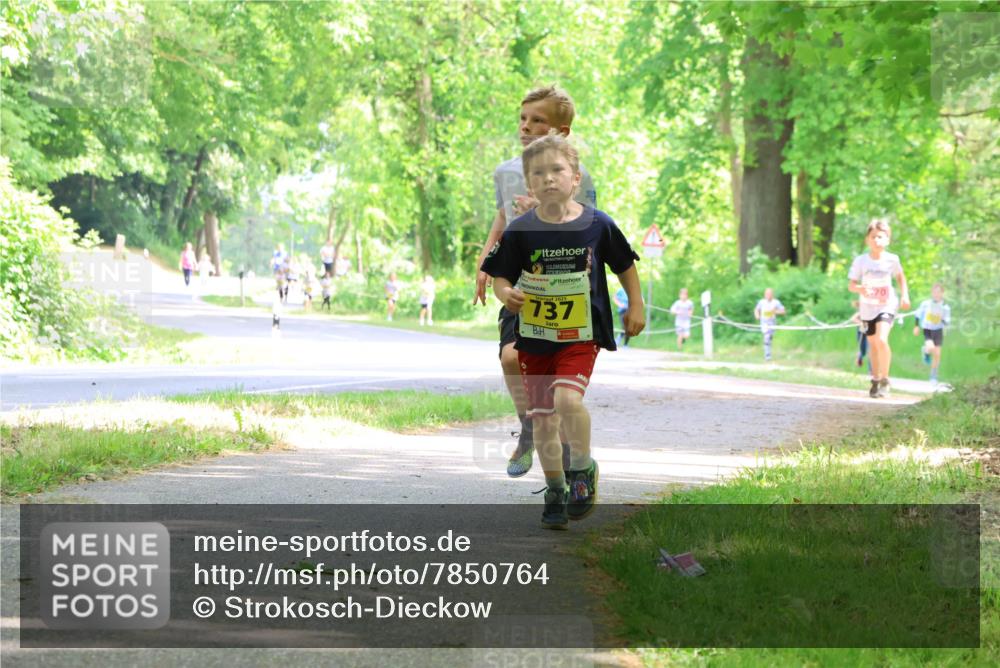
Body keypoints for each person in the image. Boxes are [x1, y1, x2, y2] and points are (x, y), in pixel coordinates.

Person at [481, 133, 645, 529]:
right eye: (538, 173)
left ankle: (582, 471)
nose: (549, 178)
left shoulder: (597, 223)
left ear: (575, 179)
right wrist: (506, 294)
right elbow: (500, 275)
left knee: (568, 401)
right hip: (534, 337)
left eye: (558, 170)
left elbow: (625, 265)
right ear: (529, 184)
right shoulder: (520, 230)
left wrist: (636, 304)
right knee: (541, 418)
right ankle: (554, 488)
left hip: (579, 336)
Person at [472, 85, 598, 479]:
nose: (526, 127)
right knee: (511, 356)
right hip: (518, 280)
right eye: (523, 119)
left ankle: (550, 437)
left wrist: (544, 212)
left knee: (549, 373)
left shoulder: (577, 178)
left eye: (538, 120)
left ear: (561, 131)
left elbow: (586, 229)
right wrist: (485, 260)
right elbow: (501, 215)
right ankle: (528, 426)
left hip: (559, 288)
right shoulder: (507, 172)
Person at [848, 217, 910, 398]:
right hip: (868, 307)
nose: (877, 240)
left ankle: (885, 379)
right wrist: (861, 289)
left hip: (887, 304)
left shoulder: (892, 259)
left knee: (882, 340)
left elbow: (900, 278)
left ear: (888, 240)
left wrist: (905, 295)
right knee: (873, 344)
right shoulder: (861, 261)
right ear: (867, 239)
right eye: (873, 236)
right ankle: (875, 380)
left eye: (881, 237)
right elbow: (851, 285)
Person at [913, 283, 950, 386]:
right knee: (930, 347)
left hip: (938, 330)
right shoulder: (926, 304)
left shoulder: (945, 307)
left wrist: (943, 319)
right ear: (932, 293)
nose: (936, 294)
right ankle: (926, 351)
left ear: (942, 293)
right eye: (934, 292)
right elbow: (918, 315)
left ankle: (933, 376)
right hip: (928, 329)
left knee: (937, 355)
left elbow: (947, 321)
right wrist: (916, 326)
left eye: (939, 292)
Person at [754, 288, 786, 361]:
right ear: (764, 295)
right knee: (766, 337)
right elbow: (756, 309)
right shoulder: (761, 302)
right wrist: (757, 315)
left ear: (772, 295)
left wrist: (775, 312)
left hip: (772, 323)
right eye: (766, 294)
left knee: (769, 338)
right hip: (764, 323)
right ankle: (767, 356)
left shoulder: (776, 302)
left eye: (769, 294)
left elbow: (783, 311)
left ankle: (767, 351)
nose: (768, 296)